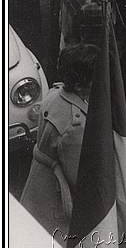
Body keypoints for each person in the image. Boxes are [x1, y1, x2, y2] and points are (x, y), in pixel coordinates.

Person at [20, 43, 97, 237]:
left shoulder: (55, 94)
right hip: (52, 196)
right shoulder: (74, 126)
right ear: (80, 85)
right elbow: (77, 174)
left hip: (38, 182)